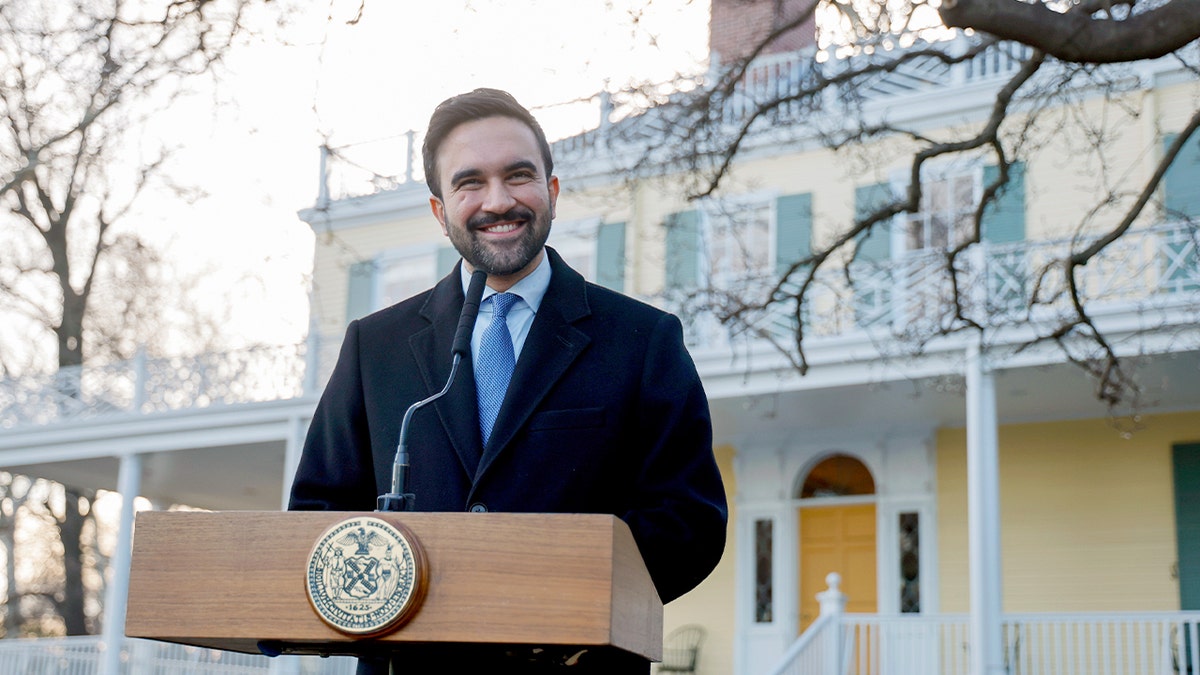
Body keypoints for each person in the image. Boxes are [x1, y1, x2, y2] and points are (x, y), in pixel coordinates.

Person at [289, 88, 727, 674]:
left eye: (518, 175)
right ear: (440, 210)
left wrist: (561, 593)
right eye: (470, 183)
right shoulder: (375, 347)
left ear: (551, 190)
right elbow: (319, 514)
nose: (498, 201)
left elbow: (689, 520)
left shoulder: (643, 340)